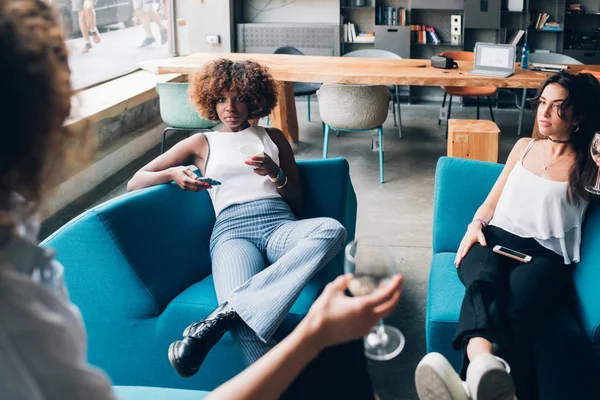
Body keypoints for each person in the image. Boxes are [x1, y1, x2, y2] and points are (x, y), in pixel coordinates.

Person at [127, 58, 351, 377]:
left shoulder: (272, 136)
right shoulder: (202, 142)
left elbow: (298, 203)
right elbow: (135, 181)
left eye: (239, 98)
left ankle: (222, 315)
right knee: (245, 326)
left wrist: (276, 174)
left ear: (254, 99)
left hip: (279, 226)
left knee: (332, 230)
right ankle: (275, 375)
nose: (230, 107)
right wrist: (173, 174)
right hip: (233, 234)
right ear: (210, 102)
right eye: (221, 99)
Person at [415, 71, 600, 400]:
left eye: (558, 106)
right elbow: (489, 204)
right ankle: (484, 364)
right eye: (542, 102)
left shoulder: (589, 165)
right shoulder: (524, 147)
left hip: (545, 257)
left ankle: (466, 383)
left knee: (511, 308)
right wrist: (474, 226)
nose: (544, 112)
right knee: (483, 281)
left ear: (578, 117)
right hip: (491, 239)